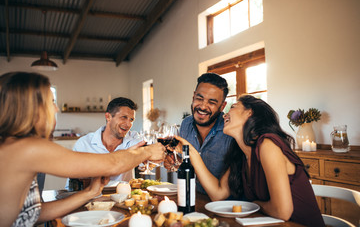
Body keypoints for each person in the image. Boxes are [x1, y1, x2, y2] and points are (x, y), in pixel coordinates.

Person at [0, 71, 165, 227]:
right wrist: (147, 151)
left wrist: (89, 193)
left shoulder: (13, 146)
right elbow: (112, 164)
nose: (56, 109)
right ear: (29, 108)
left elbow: (32, 214)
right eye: (51, 102)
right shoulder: (26, 149)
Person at [177, 95, 325, 226]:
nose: (224, 115)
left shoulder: (268, 145)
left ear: (250, 112)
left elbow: (282, 212)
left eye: (233, 107)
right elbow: (218, 194)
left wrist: (253, 205)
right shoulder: (241, 154)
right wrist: (191, 152)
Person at [65, 97, 142, 189]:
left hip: (123, 199)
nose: (128, 124)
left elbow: (147, 153)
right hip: (90, 199)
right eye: (124, 117)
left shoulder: (133, 138)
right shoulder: (84, 143)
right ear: (108, 117)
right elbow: (71, 184)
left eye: (131, 120)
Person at [179, 73, 234, 194]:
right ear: (193, 97)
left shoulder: (230, 132)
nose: (203, 106)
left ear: (222, 106)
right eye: (199, 98)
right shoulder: (185, 125)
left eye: (212, 102)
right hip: (195, 199)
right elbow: (181, 162)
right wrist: (172, 161)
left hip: (225, 207)